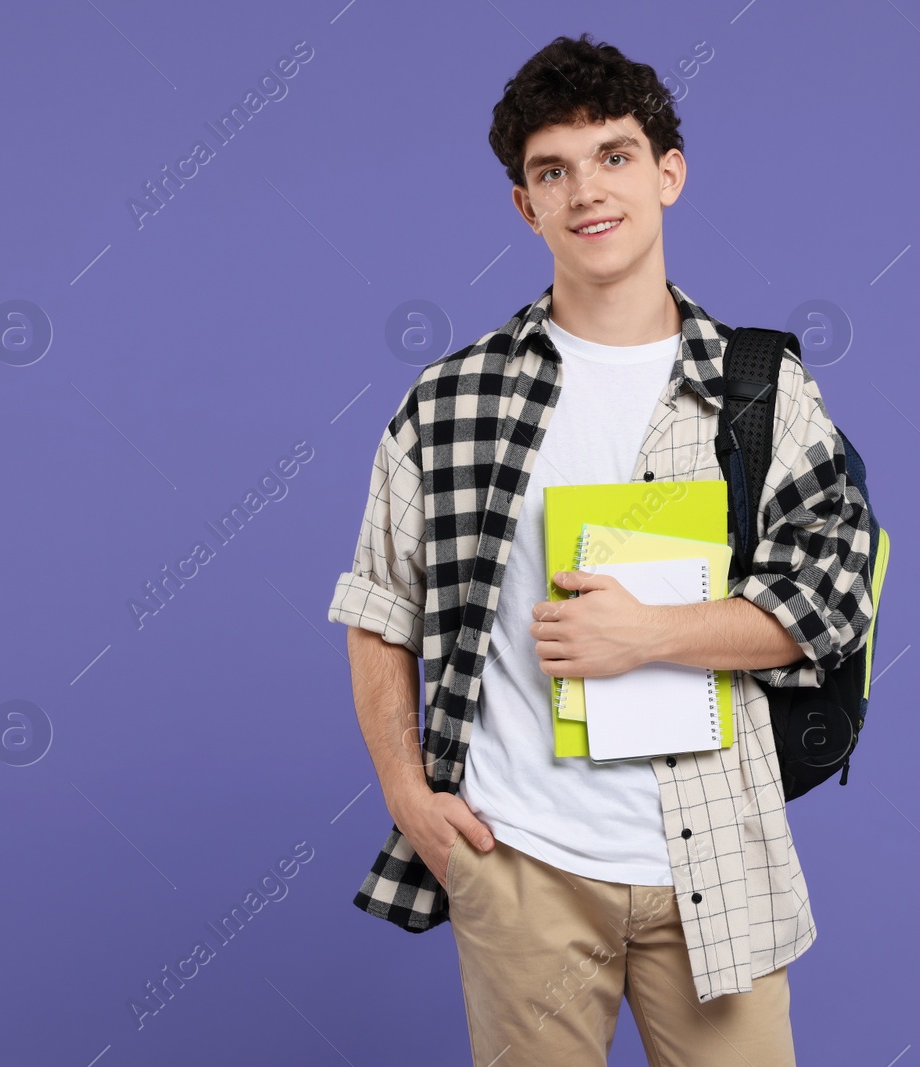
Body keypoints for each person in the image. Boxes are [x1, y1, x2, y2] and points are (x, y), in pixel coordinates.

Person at [327, 32, 874, 1067]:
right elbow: (377, 606)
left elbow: (827, 598)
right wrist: (408, 793)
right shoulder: (447, 401)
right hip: (522, 861)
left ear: (668, 172)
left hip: (716, 850)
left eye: (614, 156)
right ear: (524, 204)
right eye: (552, 170)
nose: (586, 190)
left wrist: (649, 634)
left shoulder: (760, 387)